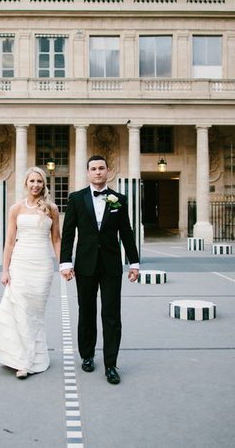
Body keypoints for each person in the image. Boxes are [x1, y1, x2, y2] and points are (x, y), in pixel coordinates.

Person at [60, 155, 140, 385]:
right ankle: (87, 355)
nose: (97, 172)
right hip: (84, 264)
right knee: (86, 312)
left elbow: (126, 232)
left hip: (111, 265)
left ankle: (111, 364)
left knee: (112, 316)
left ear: (107, 171)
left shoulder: (119, 199)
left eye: (101, 168)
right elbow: (68, 233)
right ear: (87, 173)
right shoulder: (76, 198)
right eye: (93, 169)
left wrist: (133, 262)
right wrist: (66, 262)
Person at [0, 167, 61, 379]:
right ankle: (22, 361)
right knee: (19, 311)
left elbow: (56, 240)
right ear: (26, 183)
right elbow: (9, 242)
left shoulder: (51, 209)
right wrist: (4, 270)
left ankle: (33, 356)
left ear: (44, 184)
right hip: (20, 264)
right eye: (32, 181)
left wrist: (63, 265)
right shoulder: (16, 209)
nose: (35, 185)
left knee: (35, 314)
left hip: (42, 266)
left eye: (39, 181)